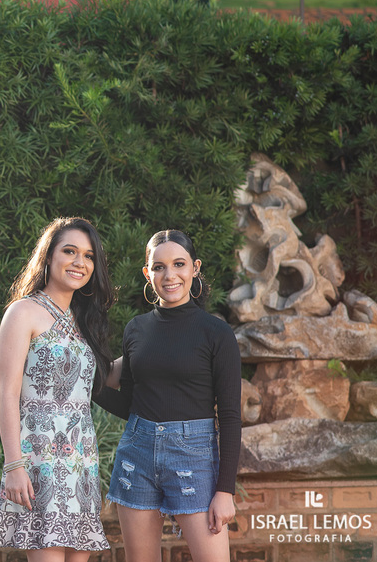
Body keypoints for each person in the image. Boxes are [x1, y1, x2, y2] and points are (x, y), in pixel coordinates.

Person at [97, 229, 242, 562]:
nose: (170, 275)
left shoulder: (216, 333)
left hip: (194, 458)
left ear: (194, 268)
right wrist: (91, 389)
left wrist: (225, 491)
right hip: (138, 453)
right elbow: (132, 403)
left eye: (179, 264)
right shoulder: (136, 328)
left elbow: (231, 416)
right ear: (148, 274)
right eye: (159, 267)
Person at [0, 216, 117, 561]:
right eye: (70, 251)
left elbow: (100, 378)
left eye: (89, 256)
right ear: (48, 257)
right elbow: (7, 394)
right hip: (38, 461)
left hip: (81, 462)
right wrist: (13, 465)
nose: (80, 262)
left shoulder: (83, 319)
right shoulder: (23, 313)